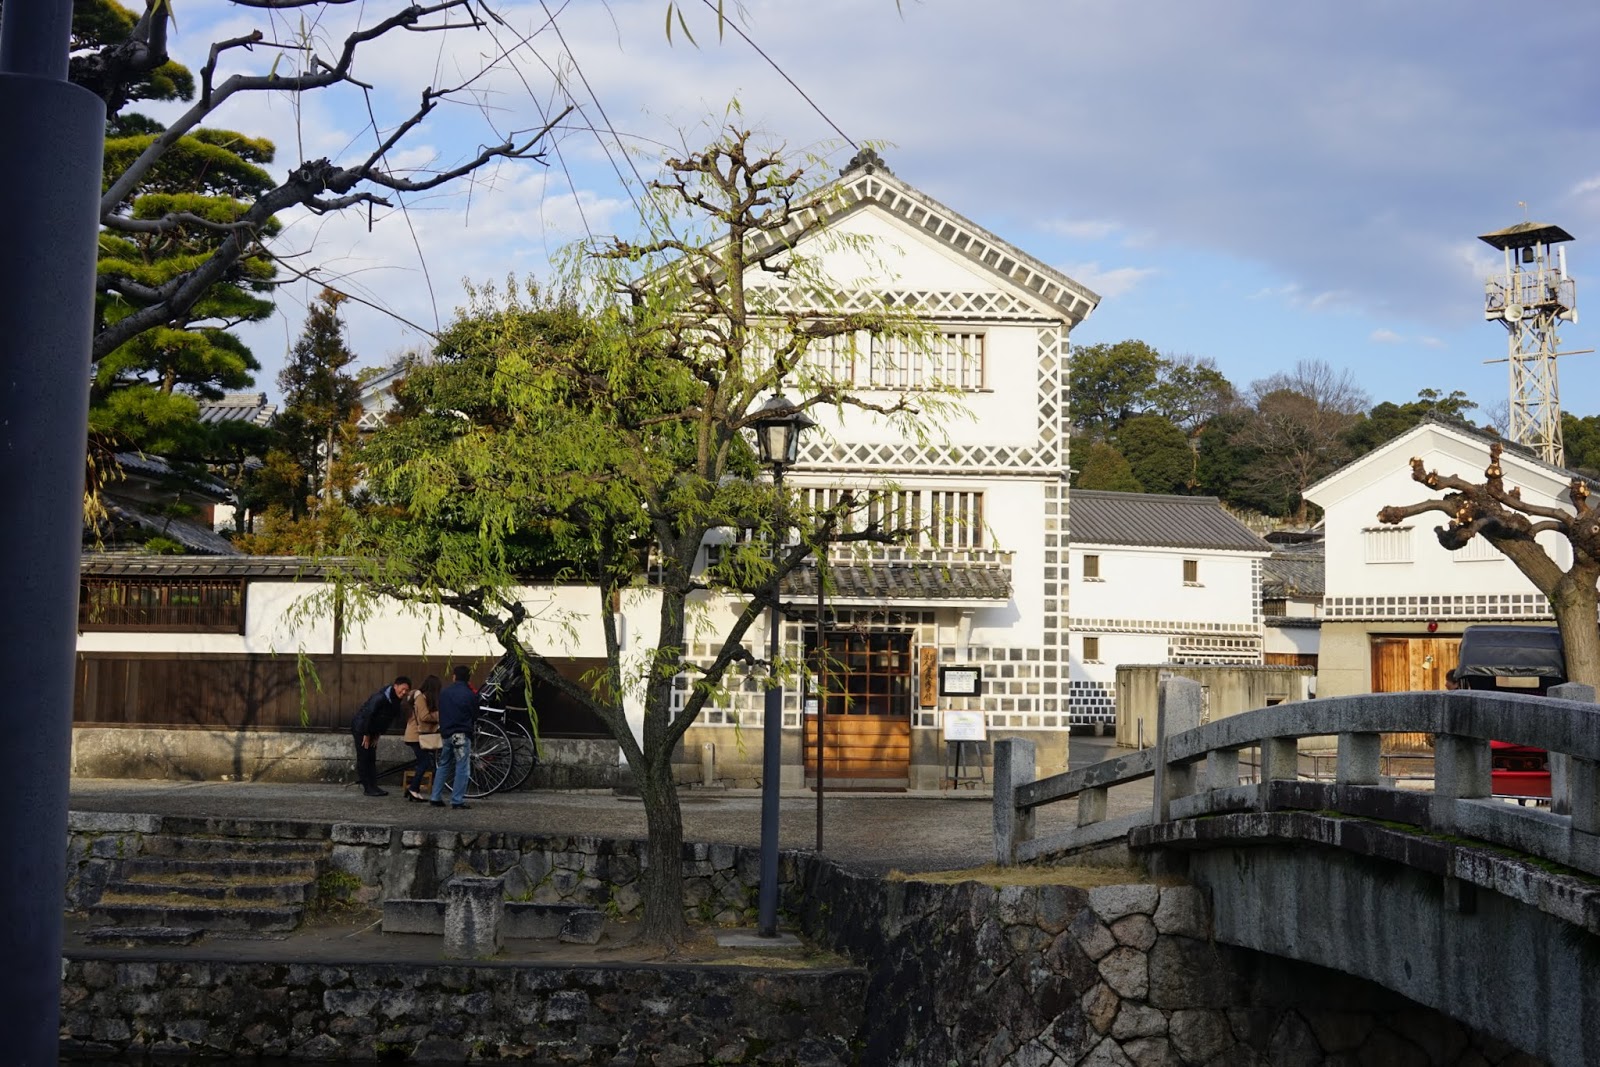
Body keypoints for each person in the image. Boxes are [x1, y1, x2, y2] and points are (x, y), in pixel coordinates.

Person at [351, 675, 412, 797]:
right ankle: (367, 788)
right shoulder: (380, 697)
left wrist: (378, 734)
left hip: (374, 730)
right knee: (364, 756)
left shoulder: (396, 700)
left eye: (407, 690)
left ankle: (373, 786)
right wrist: (366, 733)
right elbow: (369, 714)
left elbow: (386, 720)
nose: (404, 692)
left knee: (371, 757)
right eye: (402, 689)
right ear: (395, 686)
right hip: (362, 727)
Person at [431, 665, 481, 809]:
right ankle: (457, 800)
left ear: (454, 677)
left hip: (446, 733)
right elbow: (475, 715)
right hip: (461, 734)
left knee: (443, 764)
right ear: (468, 679)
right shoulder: (470, 695)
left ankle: (435, 796)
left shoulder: (444, 693)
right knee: (462, 767)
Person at [403, 675, 443, 802]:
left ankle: (413, 789)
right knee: (424, 762)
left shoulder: (420, 696)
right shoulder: (420, 697)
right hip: (416, 735)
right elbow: (424, 716)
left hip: (417, 735)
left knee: (424, 762)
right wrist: (439, 715)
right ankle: (413, 789)